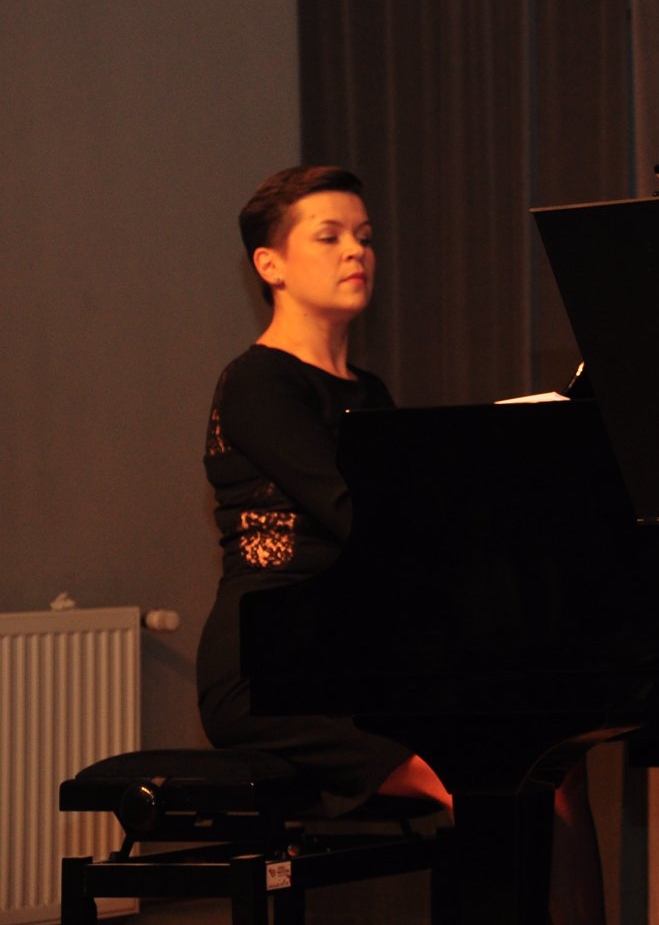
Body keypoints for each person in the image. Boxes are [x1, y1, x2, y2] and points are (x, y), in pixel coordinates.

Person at [197, 166, 604, 924]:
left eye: (364, 237)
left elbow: (402, 539)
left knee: (553, 764)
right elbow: (358, 514)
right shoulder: (258, 382)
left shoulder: (369, 392)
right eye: (329, 237)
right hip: (271, 672)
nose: (356, 251)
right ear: (270, 265)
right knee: (487, 782)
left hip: (357, 659)